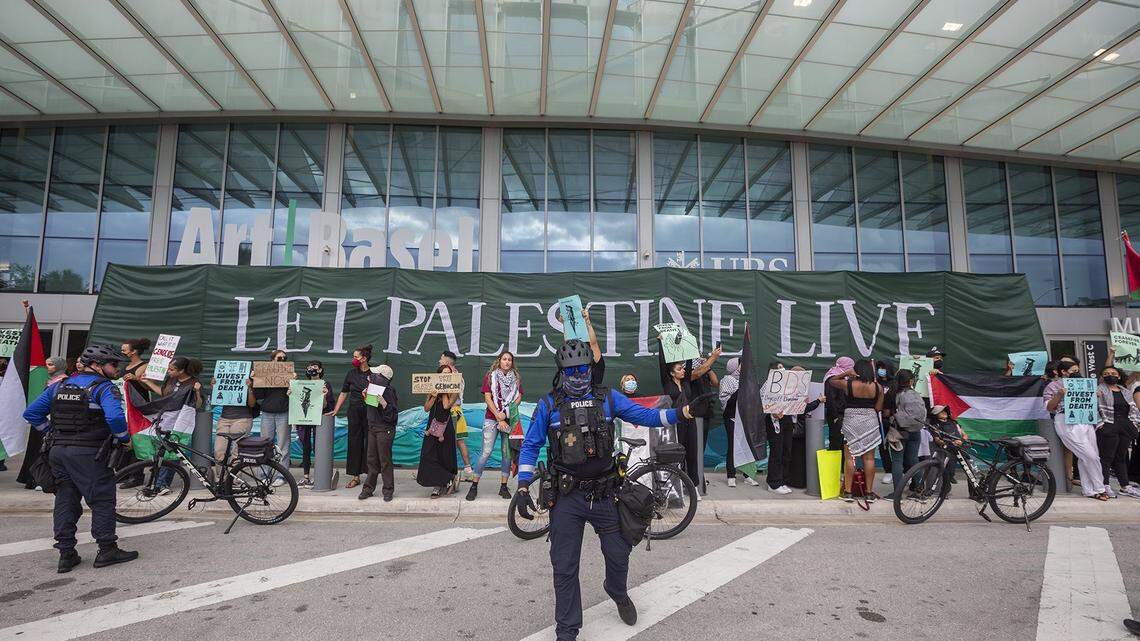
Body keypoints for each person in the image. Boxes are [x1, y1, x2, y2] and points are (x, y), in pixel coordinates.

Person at [514, 339, 709, 641]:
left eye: (583, 369)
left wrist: (682, 413)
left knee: (619, 554)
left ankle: (616, 591)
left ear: (590, 369)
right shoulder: (549, 405)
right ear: (561, 372)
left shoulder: (608, 399)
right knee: (564, 567)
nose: (578, 375)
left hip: (606, 493)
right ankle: (567, 631)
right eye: (571, 371)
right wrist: (523, 486)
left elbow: (645, 416)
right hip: (567, 497)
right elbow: (530, 446)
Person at [23, 344, 138, 572]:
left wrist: (51, 432)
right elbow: (115, 418)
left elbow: (31, 414)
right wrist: (124, 438)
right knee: (102, 499)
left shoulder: (60, 385)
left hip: (58, 452)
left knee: (66, 499)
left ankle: (66, 553)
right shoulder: (103, 388)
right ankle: (107, 550)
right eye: (112, 364)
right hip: (90, 453)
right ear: (96, 366)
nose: (116, 368)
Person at [658, 340, 723, 491]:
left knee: (692, 454)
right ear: (672, 373)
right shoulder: (667, 383)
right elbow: (662, 364)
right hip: (675, 422)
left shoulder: (686, 382)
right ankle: (674, 486)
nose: (682, 371)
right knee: (676, 455)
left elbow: (688, 365)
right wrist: (662, 344)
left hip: (689, 421)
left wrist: (688, 347)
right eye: (679, 369)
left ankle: (693, 487)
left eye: (683, 369)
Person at [1045, 358, 1109, 500]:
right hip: (1066, 420)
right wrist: (1059, 394)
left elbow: (1092, 401)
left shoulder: (1084, 383)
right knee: (1090, 455)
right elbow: (1049, 407)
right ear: (1063, 372)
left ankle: (1089, 490)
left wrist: (1095, 394)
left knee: (1086, 455)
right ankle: (1100, 487)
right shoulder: (1053, 386)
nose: (1077, 373)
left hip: (1085, 419)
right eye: (1073, 371)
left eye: (1077, 370)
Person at [829, 359, 883, 503]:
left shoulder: (848, 384)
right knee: (869, 459)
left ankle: (848, 492)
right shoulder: (878, 387)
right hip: (870, 421)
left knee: (850, 458)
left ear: (856, 370)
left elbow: (832, 380)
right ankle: (869, 493)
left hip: (851, 421)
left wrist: (847, 373)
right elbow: (878, 408)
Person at [470, 351, 522, 501]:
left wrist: (506, 413)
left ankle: (503, 487)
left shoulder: (516, 379)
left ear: (512, 363)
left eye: (510, 360)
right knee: (485, 452)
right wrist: (498, 415)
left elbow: (519, 397)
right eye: (504, 359)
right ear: (499, 361)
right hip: (492, 419)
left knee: (506, 454)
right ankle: (474, 486)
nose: (507, 362)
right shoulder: (490, 376)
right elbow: (487, 397)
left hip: (507, 419)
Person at [155, 356, 204, 493]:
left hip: (180, 422)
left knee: (173, 452)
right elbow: (163, 394)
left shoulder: (194, 383)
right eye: (168, 368)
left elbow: (198, 405)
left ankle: (162, 484)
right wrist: (146, 382)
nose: (168, 372)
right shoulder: (170, 380)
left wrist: (198, 392)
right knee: (160, 452)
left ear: (181, 370)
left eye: (172, 369)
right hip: (165, 419)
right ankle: (158, 482)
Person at [327, 344, 373, 489]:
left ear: (364, 358)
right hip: (354, 412)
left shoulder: (375, 373)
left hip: (370, 412)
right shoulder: (351, 373)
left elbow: (379, 394)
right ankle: (355, 476)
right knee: (354, 442)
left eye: (356, 357)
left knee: (371, 443)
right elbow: (344, 392)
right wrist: (336, 409)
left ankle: (371, 475)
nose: (353, 359)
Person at [1096, 366, 1140, 498]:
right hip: (1108, 425)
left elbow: (1133, 409)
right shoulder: (1098, 390)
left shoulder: (1126, 391)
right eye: (1106, 373)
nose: (1110, 375)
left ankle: (1125, 486)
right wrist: (1100, 424)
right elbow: (1094, 409)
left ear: (1119, 376)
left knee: (1121, 457)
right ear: (1102, 377)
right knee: (1106, 457)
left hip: (1125, 426)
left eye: (1113, 373)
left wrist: (1134, 424)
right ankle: (1105, 485)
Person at [418, 365, 459, 498]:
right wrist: (434, 396)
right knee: (427, 454)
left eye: (448, 374)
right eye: (443, 374)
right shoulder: (432, 388)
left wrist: (444, 391)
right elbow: (426, 408)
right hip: (432, 427)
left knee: (444, 455)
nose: (446, 376)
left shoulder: (454, 389)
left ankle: (439, 485)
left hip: (445, 428)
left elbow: (447, 406)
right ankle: (449, 478)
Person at [253, 349, 293, 485]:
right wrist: (255, 380)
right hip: (267, 413)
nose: (282, 361)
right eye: (279, 358)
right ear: (272, 360)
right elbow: (259, 395)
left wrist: (293, 383)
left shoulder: (289, 375)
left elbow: (294, 395)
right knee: (265, 444)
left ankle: (282, 475)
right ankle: (264, 474)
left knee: (283, 445)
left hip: (284, 412)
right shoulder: (265, 375)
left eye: (284, 358)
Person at [360, 364, 398, 501]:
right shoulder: (372, 389)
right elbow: (371, 409)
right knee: (371, 460)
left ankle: (388, 490)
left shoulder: (389, 391)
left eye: (376, 375)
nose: (372, 375)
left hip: (385, 429)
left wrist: (384, 404)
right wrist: (365, 397)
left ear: (382, 378)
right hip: (373, 428)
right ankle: (368, 488)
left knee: (385, 460)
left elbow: (393, 416)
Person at [293, 360, 332, 488]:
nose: (312, 369)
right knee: (306, 446)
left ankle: (319, 476)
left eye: (315, 367)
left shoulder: (326, 384)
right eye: (309, 367)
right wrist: (291, 393)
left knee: (318, 446)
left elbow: (326, 406)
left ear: (320, 370)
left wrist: (324, 395)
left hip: (320, 419)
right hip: (305, 419)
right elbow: (296, 402)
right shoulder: (301, 384)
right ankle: (306, 477)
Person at [719, 357, 757, 488]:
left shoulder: (747, 380)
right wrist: (740, 390)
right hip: (732, 418)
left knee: (747, 447)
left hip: (746, 419)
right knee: (733, 446)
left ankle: (748, 476)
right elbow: (726, 401)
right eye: (741, 365)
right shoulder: (727, 380)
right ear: (735, 367)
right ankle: (731, 476)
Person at [212, 374, 256, 482]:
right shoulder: (225, 381)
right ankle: (221, 479)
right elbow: (216, 399)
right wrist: (215, 386)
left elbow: (252, 404)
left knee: (237, 451)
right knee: (219, 450)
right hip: (224, 418)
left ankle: (233, 480)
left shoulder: (250, 383)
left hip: (242, 418)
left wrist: (249, 388)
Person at [890, 370, 926, 499]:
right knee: (913, 460)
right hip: (916, 431)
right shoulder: (916, 394)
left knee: (897, 461)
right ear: (911, 381)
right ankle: (919, 490)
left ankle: (897, 493)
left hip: (899, 431)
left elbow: (887, 412)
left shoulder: (894, 394)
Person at [440, 350, 473, 482]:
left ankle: (451, 474)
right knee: (459, 441)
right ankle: (468, 471)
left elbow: (451, 397)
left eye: (441, 359)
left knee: (453, 442)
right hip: (456, 411)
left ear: (447, 362)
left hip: (453, 411)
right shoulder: (456, 375)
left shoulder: (452, 376)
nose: (439, 361)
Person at [928, 404, 967, 487]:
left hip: (960, 448)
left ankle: (974, 493)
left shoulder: (954, 422)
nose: (944, 412)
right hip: (946, 451)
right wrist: (948, 442)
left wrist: (961, 441)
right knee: (946, 470)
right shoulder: (935, 425)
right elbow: (937, 439)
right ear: (936, 414)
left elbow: (965, 435)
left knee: (968, 470)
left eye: (944, 410)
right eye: (941, 411)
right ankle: (946, 489)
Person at [823, 356, 854, 453]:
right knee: (837, 442)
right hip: (837, 416)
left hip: (842, 415)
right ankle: (836, 466)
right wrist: (835, 417)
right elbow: (830, 399)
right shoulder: (832, 378)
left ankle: (842, 465)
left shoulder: (841, 377)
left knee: (843, 443)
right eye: (850, 367)